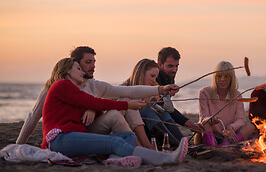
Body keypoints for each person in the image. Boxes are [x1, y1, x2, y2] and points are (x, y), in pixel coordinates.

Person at [16, 46, 178, 145]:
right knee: (125, 104)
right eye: (88, 62)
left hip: (92, 131)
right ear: (75, 64)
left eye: (94, 62)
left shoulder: (95, 85)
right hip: (68, 136)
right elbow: (33, 117)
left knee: (125, 99)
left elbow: (127, 91)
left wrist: (161, 89)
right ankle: (142, 148)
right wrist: (19, 145)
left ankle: (144, 148)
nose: (93, 66)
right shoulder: (54, 87)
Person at [41, 58, 188, 166]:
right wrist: (127, 105)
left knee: (128, 136)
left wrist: (160, 89)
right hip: (59, 139)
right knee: (114, 141)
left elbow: (96, 104)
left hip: (74, 136)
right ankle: (165, 158)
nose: (82, 72)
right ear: (67, 71)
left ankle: (115, 159)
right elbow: (93, 102)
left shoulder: (75, 90)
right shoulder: (61, 85)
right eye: (78, 69)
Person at [124, 59, 184, 148]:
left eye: (155, 77)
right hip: (135, 130)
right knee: (147, 111)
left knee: (163, 112)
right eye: (152, 76)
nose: (153, 80)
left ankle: (181, 142)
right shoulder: (125, 87)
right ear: (141, 73)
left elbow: (170, 109)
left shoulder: (154, 87)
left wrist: (159, 98)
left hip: (152, 133)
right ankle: (175, 145)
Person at [198, 61, 255, 146]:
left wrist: (231, 127)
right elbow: (204, 117)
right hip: (210, 134)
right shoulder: (205, 92)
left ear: (232, 78)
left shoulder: (237, 95)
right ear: (215, 77)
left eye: (227, 77)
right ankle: (213, 147)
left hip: (229, 136)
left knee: (251, 126)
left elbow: (241, 120)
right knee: (205, 123)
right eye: (219, 76)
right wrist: (210, 119)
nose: (222, 79)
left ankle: (225, 146)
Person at [156, 47, 205, 134]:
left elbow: (168, 107)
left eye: (176, 66)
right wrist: (190, 124)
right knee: (164, 114)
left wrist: (190, 124)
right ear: (160, 64)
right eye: (170, 66)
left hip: (159, 114)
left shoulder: (169, 78)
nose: (174, 70)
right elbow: (167, 109)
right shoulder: (154, 78)